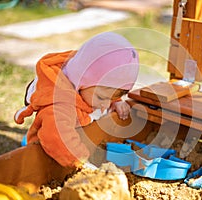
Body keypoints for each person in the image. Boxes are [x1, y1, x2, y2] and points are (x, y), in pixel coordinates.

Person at [14, 32, 139, 168]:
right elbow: (57, 139)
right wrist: (82, 162)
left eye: (112, 97)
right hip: (50, 159)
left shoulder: (86, 84)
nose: (105, 105)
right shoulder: (59, 106)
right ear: (81, 80)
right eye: (102, 97)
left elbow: (104, 87)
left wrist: (117, 101)